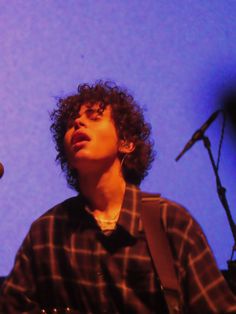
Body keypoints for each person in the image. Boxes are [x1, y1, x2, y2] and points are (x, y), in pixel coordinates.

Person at [0, 81, 235, 313]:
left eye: (93, 116)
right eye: (70, 124)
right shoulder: (46, 233)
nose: (77, 122)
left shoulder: (171, 223)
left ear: (126, 143)